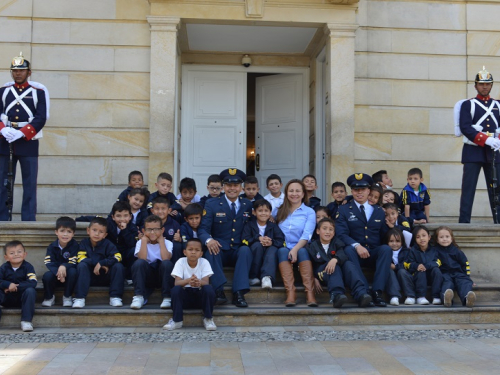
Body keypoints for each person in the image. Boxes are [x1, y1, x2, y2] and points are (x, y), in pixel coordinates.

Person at [0, 52, 48, 221]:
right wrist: (3, 129)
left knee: (29, 184)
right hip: (5, 141)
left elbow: (41, 117)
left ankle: (28, 219)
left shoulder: (38, 92)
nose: (17, 73)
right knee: (3, 183)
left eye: (21, 70)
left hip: (28, 142)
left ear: (29, 72)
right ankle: (3, 218)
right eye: (14, 70)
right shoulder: (4, 91)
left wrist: (22, 132)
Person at [198, 168, 253, 308]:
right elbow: (203, 229)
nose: (232, 188)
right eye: (229, 185)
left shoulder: (248, 205)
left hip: (238, 249)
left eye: (235, 185)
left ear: (241, 188)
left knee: (246, 250)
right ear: (223, 187)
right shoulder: (212, 204)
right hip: (220, 248)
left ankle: (239, 293)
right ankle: (218, 291)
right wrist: (209, 240)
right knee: (210, 250)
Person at [335, 173, 392, 307]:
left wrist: (393, 227)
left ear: (368, 191)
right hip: (354, 253)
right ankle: (364, 291)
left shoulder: (378, 210)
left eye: (363, 189)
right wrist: (357, 245)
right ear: (352, 191)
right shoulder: (343, 210)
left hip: (373, 252)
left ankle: (377, 292)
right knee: (348, 249)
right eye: (356, 190)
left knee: (386, 249)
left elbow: (384, 235)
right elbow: (341, 234)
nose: (359, 192)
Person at [458, 67, 500, 223]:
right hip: (472, 152)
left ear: (491, 85)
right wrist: (485, 139)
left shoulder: (498, 105)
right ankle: (464, 223)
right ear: (475, 85)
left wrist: (498, 140)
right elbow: (465, 127)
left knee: (497, 191)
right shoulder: (468, 105)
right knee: (468, 191)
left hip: (494, 153)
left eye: (488, 84)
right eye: (481, 84)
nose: (485, 87)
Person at [307, 218, 372, 308]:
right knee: (334, 267)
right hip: (323, 273)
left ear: (334, 233)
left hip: (339, 273)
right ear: (318, 231)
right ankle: (337, 296)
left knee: (348, 264)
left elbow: (342, 254)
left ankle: (361, 294)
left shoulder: (337, 242)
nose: (328, 232)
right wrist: (313, 278)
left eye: (331, 229)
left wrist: (335, 259)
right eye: (324, 228)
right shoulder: (312, 246)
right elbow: (310, 264)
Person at [276, 179, 317, 307]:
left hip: (302, 246)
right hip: (283, 247)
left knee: (302, 251)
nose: (294, 194)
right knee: (282, 251)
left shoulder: (309, 212)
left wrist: (294, 249)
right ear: (286, 193)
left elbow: (307, 235)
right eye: (291, 191)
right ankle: (291, 292)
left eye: (298, 191)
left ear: (303, 194)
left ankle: (310, 293)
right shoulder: (279, 210)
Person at [163, 239, 216, 331]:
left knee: (208, 288)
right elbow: (177, 282)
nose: (193, 252)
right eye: (190, 249)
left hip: (199, 297)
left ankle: (208, 318)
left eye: (197, 250)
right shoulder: (180, 262)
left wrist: (198, 282)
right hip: (185, 298)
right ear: (185, 252)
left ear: (201, 253)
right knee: (176, 290)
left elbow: (206, 282)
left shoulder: (204, 262)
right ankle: (177, 320)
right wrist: (188, 281)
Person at [72, 217, 124, 308]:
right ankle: (79, 298)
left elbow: (118, 256)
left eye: (101, 232)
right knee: (82, 265)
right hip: (88, 277)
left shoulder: (108, 244)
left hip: (105, 276)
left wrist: (103, 262)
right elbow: (80, 258)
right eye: (94, 230)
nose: (97, 234)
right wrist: (97, 263)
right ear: (88, 230)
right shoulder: (84, 243)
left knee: (118, 266)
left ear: (105, 235)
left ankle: (115, 297)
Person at [130, 215, 174, 310]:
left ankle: (167, 297)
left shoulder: (168, 243)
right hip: (147, 275)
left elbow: (166, 258)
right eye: (149, 229)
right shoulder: (140, 243)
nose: (152, 232)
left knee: (167, 264)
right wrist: (144, 242)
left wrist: (161, 242)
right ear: (143, 231)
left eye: (156, 229)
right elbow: (142, 258)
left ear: (162, 230)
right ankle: (139, 297)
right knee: (139, 263)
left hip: (161, 276)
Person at [241, 199, 286, 289]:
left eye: (266, 211)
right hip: (255, 251)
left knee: (273, 249)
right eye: (260, 211)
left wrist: (271, 242)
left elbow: (282, 241)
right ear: (254, 212)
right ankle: (253, 277)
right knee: (258, 245)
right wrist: (258, 238)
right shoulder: (249, 225)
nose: (263, 213)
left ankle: (267, 277)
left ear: (270, 213)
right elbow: (244, 239)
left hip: (269, 252)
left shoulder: (273, 226)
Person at [41, 216, 79, 307]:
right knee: (47, 276)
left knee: (73, 272)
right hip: (56, 275)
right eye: (62, 231)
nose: (65, 234)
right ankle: (49, 297)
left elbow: (74, 261)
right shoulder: (52, 246)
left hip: (69, 275)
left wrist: (64, 266)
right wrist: (58, 272)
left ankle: (67, 296)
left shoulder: (75, 246)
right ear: (56, 232)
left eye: (69, 232)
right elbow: (48, 262)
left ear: (73, 234)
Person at [434, 226, 475, 307]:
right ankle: (447, 299)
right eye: (441, 237)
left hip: (458, 273)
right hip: (444, 274)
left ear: (451, 238)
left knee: (464, 283)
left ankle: (467, 299)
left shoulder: (457, 251)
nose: (444, 239)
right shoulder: (435, 251)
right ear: (437, 240)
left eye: (447, 236)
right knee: (447, 285)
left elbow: (465, 264)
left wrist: (467, 277)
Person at [0, 240, 37, 331]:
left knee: (30, 290)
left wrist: (16, 286)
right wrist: (7, 285)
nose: (16, 254)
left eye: (19, 252)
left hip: (22, 298)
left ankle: (26, 321)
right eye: (12, 253)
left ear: (24, 254)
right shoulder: (4, 268)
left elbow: (33, 282)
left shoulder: (28, 267)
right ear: (6, 257)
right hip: (6, 298)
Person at [405, 226, 443, 305]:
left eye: (424, 235)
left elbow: (438, 262)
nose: (421, 238)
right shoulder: (413, 250)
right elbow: (408, 263)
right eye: (418, 237)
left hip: (431, 275)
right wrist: (417, 266)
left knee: (437, 270)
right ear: (415, 239)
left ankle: (436, 296)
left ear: (429, 237)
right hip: (419, 277)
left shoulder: (434, 250)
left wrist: (427, 266)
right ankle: (420, 297)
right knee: (421, 271)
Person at [384, 228, 413, 306]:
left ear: (402, 242)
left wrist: (396, 267)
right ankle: (394, 296)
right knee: (389, 271)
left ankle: (410, 295)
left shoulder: (406, 251)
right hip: (392, 276)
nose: (394, 244)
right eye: (391, 241)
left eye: (397, 241)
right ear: (387, 242)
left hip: (404, 275)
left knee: (401, 271)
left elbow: (407, 264)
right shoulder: (385, 252)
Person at [149, 196, 182, 263]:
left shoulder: (175, 224)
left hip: (168, 252)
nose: (160, 211)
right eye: (157, 209)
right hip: (152, 250)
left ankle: (175, 269)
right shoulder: (148, 223)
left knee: (177, 245)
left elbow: (181, 238)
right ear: (152, 211)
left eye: (163, 209)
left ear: (169, 210)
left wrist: (179, 238)